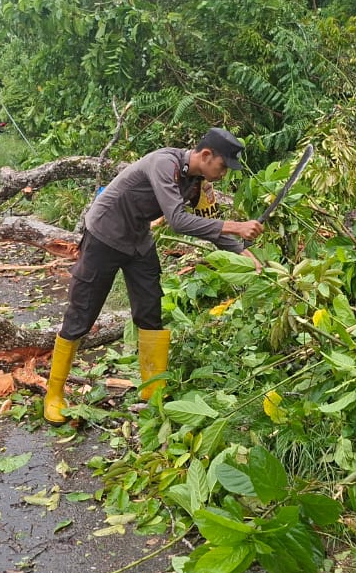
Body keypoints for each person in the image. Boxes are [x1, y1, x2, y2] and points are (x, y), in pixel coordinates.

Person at [44, 127, 265, 423]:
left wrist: (240, 252)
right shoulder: (164, 164)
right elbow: (177, 221)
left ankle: (153, 392)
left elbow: (208, 223)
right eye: (223, 166)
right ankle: (54, 394)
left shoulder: (198, 182)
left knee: (149, 310)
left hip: (138, 240)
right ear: (206, 155)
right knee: (82, 314)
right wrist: (236, 226)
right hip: (105, 235)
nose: (224, 174)